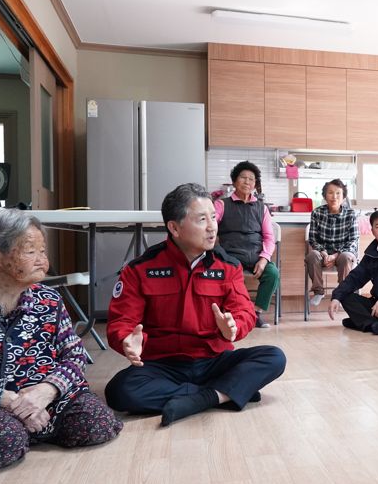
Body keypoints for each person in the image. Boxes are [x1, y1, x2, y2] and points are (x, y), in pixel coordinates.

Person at [0, 209, 122, 471]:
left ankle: (26, 429)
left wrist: (45, 392)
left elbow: (75, 356)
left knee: (96, 421)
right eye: (30, 251)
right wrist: (11, 402)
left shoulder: (49, 300)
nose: (42, 261)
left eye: (43, 251)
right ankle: (17, 431)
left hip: (44, 398)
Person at [105, 183, 286, 427]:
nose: (212, 227)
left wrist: (233, 327)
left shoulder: (227, 266)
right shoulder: (141, 269)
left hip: (214, 360)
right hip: (163, 364)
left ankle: (202, 396)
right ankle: (224, 393)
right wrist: (126, 339)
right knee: (119, 391)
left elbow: (243, 311)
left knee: (274, 357)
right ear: (174, 228)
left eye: (213, 217)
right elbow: (121, 322)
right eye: (202, 219)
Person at [214, 161, 278, 328]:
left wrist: (264, 259)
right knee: (233, 276)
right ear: (235, 181)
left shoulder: (261, 208)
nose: (247, 182)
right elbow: (212, 228)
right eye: (243, 178)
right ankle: (238, 313)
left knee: (272, 273)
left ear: (255, 184)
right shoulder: (222, 204)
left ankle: (255, 313)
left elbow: (269, 237)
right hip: (231, 255)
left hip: (256, 255)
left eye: (251, 179)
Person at [305, 179, 359, 307]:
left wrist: (335, 255)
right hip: (323, 253)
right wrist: (323, 253)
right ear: (324, 196)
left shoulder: (351, 214)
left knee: (346, 257)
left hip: (343, 253)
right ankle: (318, 291)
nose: (334, 197)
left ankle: (342, 292)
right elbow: (313, 238)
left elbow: (353, 240)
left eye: (338, 193)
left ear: (344, 197)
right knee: (312, 255)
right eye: (330, 193)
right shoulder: (317, 213)